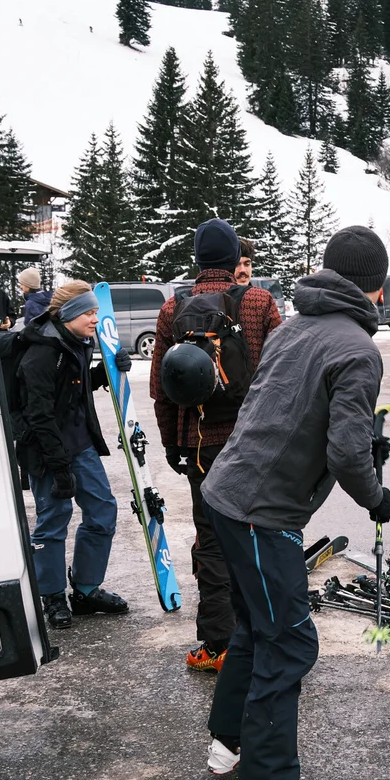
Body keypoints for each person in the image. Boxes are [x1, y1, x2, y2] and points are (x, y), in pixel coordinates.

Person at [199, 226, 390, 780]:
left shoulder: (297, 325)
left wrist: (356, 447)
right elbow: (345, 455)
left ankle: (229, 743)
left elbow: (295, 412)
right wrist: (375, 495)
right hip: (263, 512)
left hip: (229, 494)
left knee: (259, 628)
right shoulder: (357, 349)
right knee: (289, 639)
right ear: (377, 289)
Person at [150, 218, 283, 672]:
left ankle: (217, 644)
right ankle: (269, 632)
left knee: (211, 540)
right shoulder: (261, 301)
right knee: (262, 533)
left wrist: (173, 443)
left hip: (201, 444)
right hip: (254, 442)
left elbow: (160, 387)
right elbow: (281, 376)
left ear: (197, 259)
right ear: (234, 259)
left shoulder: (173, 310)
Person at [14, 280, 130, 629]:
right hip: (47, 451)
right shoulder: (41, 354)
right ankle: (52, 597)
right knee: (54, 519)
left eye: (97, 312)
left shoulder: (78, 342)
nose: (96, 319)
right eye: (90, 313)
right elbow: (39, 415)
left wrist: (105, 371)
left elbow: (73, 390)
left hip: (80, 444)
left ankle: (85, 588)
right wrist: (60, 467)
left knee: (103, 510)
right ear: (70, 314)